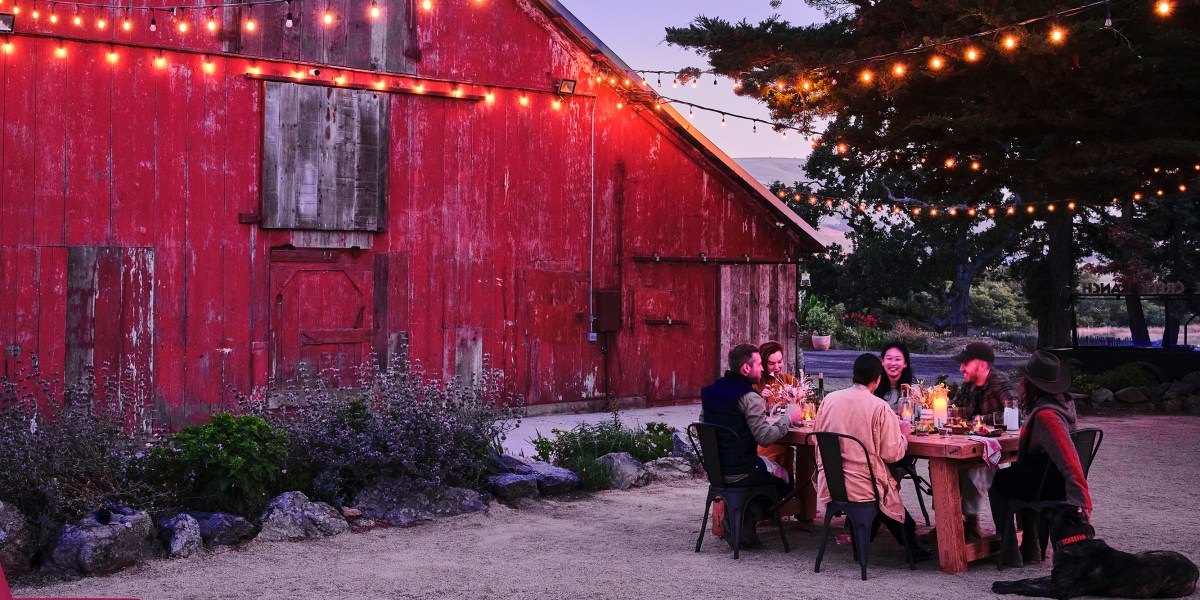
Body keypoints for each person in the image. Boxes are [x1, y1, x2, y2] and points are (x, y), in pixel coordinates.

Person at [813, 353, 934, 561]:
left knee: (881, 502)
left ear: (854, 375)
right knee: (884, 496)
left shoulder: (829, 401)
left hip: (832, 483)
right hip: (864, 486)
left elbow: (818, 439)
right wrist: (903, 436)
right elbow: (893, 453)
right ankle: (909, 548)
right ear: (878, 379)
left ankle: (863, 544)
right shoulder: (879, 407)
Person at [989, 351, 1092, 567]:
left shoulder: (1047, 416)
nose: (1020, 384)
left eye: (1024, 380)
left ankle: (1010, 551)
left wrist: (1083, 501)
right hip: (1050, 478)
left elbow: (1068, 458)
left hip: (1051, 483)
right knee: (1017, 474)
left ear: (1032, 385)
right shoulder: (1064, 404)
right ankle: (1031, 545)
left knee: (999, 481)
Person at [700, 343, 795, 548]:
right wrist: (789, 418)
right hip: (742, 470)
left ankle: (739, 522)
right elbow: (765, 438)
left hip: (716, 470)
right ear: (745, 368)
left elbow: (703, 428)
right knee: (786, 480)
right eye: (760, 364)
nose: (763, 369)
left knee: (767, 467)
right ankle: (742, 519)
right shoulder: (749, 397)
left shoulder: (709, 392)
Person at [951, 340, 1015, 538]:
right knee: (944, 465)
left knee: (968, 469)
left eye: (965, 363)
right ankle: (950, 521)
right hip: (971, 447)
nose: (961, 368)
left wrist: (979, 420)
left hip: (1000, 453)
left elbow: (1017, 415)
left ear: (981, 364)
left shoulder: (1000, 384)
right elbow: (955, 408)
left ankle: (971, 524)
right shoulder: (968, 385)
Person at [754, 340, 801, 479]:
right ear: (762, 363)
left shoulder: (790, 381)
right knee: (775, 449)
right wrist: (761, 399)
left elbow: (801, 408)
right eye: (771, 363)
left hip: (789, 431)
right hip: (767, 437)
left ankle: (798, 495)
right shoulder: (756, 384)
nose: (777, 367)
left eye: (779, 362)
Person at [875, 341, 914, 413]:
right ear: (882, 361)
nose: (893, 363)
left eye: (897, 359)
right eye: (889, 358)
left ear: (905, 363)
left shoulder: (914, 391)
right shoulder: (873, 388)